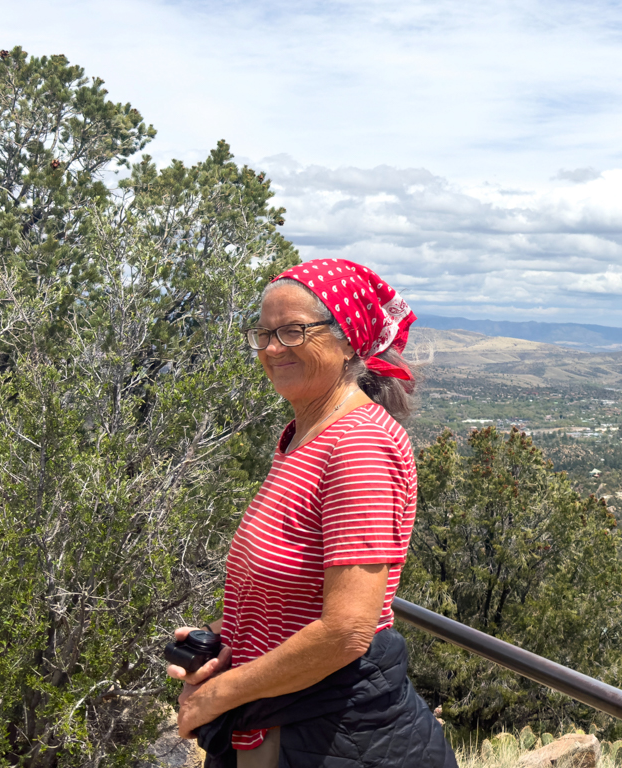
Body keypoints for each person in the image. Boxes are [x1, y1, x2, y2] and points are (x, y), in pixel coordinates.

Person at [166, 259, 457, 768]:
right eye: (264, 333)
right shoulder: (303, 438)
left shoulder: (359, 445)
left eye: (294, 330)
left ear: (348, 341)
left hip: (328, 734)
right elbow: (292, 591)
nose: (273, 347)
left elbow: (346, 630)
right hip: (292, 717)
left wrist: (218, 695)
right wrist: (227, 637)